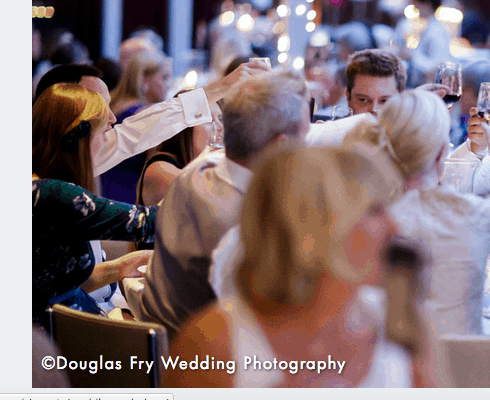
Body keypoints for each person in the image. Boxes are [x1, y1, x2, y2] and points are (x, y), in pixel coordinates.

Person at [168, 146, 427, 387]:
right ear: (316, 227)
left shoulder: (397, 325)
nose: (394, 228)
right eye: (374, 210)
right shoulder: (216, 342)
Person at [140, 70, 309, 336]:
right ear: (283, 145)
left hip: (156, 343)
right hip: (196, 363)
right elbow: (272, 327)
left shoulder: (195, 174)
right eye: (305, 138)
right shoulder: (245, 226)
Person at [353, 91, 490, 335]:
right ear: (442, 152)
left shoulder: (362, 217)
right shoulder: (468, 214)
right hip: (462, 367)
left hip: (385, 364)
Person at [31, 83, 154, 323]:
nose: (113, 120)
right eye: (103, 133)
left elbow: (58, 283)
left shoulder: (41, 185)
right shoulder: (55, 196)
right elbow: (150, 222)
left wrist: (118, 268)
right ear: (77, 141)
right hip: (62, 341)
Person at [34, 61, 266, 176]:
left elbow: (136, 133)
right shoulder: (41, 183)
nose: (112, 117)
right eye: (97, 106)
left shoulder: (81, 157)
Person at [100, 48, 175, 203]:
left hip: (100, 192)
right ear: (144, 80)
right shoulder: (145, 114)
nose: (169, 85)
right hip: (127, 202)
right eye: (165, 78)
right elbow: (157, 167)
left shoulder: (113, 104)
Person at [344, 48, 407, 117]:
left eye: (385, 101)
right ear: (348, 97)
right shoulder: (332, 126)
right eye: (363, 100)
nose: (374, 110)